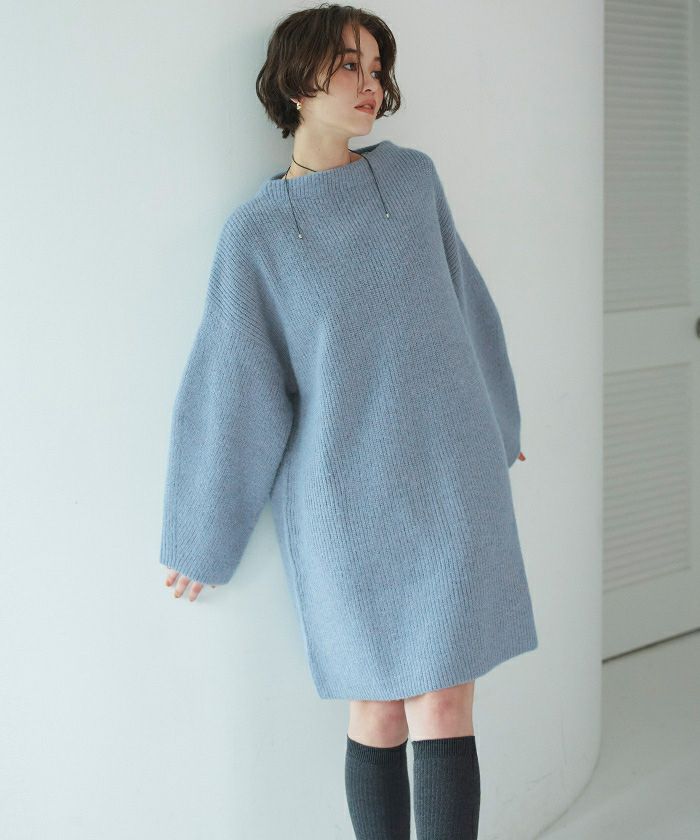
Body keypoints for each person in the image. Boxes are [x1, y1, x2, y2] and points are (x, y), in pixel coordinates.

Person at [159, 4, 538, 839]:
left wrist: (497, 417)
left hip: (450, 479)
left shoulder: (412, 180)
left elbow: (467, 304)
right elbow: (235, 387)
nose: (370, 85)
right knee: (379, 707)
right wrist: (200, 532)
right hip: (345, 502)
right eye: (348, 66)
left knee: (444, 700)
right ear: (297, 79)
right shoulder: (257, 235)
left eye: (376, 68)